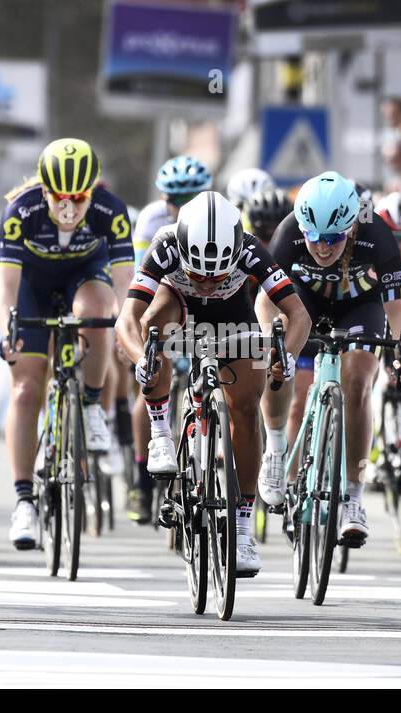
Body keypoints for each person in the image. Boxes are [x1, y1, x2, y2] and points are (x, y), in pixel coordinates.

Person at [117, 191, 309, 574]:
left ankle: (241, 526)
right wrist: (142, 359)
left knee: (244, 407)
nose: (205, 283)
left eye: (216, 274)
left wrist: (285, 356)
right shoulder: (166, 245)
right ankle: (160, 433)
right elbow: (126, 320)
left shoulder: (252, 249)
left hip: (232, 315)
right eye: (198, 272)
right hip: (177, 305)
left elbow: (297, 314)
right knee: (152, 326)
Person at [256, 171, 401, 543]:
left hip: (359, 305)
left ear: (352, 225)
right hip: (303, 302)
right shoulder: (288, 231)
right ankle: (277, 449)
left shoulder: (375, 232)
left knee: (359, 382)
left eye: (334, 238)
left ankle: (353, 499)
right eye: (314, 237)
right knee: (281, 370)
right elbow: (266, 299)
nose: (324, 247)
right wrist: (272, 338)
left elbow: (396, 304)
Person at [0, 139, 132, 550]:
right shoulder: (20, 212)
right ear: (43, 191)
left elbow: (126, 287)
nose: (70, 209)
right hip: (32, 288)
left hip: (84, 277)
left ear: (92, 191)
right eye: (60, 200)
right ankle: (23, 501)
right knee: (25, 389)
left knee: (98, 310)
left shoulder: (112, 210)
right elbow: (5, 289)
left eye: (79, 199)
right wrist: (8, 332)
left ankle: (91, 403)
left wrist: (126, 329)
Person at [124, 155, 212, 524]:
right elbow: (145, 278)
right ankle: (140, 481)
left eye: (189, 198)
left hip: (206, 293)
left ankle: (208, 458)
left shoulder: (216, 217)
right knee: (151, 371)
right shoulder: (151, 220)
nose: (180, 208)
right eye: (174, 200)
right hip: (167, 290)